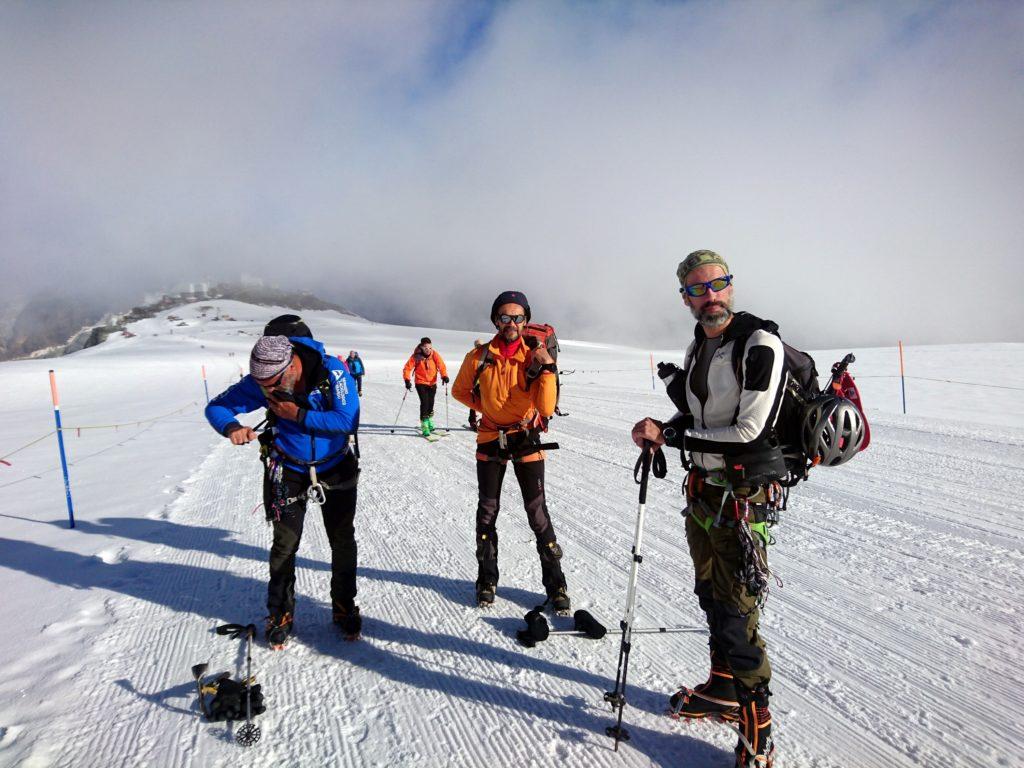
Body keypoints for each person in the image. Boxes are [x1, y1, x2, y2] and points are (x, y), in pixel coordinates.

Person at [631, 250, 785, 767]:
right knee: (711, 595)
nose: (710, 296)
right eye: (698, 289)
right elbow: (699, 412)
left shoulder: (759, 344)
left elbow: (750, 431)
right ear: (685, 298)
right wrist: (669, 424)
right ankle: (722, 688)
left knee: (737, 611)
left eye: (717, 284)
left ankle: (757, 729)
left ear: (731, 286)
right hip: (703, 491)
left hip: (742, 500)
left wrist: (673, 433)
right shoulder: (701, 343)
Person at [205, 331, 362, 647]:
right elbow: (216, 408)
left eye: (274, 384)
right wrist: (232, 427)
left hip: (335, 465)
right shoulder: (263, 381)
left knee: (342, 539)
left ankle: (344, 606)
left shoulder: (332, 370)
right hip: (287, 469)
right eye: (262, 387)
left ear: (291, 365)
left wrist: (298, 415)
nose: (269, 391)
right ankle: (280, 613)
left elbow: (348, 420)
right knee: (284, 545)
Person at [452, 291, 570, 612]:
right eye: (505, 317)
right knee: (487, 511)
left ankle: (556, 584)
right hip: (490, 438)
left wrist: (546, 369)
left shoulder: (533, 357)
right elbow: (459, 390)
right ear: (495, 320)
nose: (512, 323)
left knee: (537, 513)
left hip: (526, 438)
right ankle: (486, 580)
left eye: (518, 317)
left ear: (526, 320)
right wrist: (487, 409)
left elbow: (546, 407)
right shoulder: (478, 357)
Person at [403, 337, 448, 436]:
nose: (428, 350)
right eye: (426, 348)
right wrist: (407, 380)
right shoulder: (416, 356)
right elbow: (407, 368)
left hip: (432, 383)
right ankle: (424, 425)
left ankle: (430, 421)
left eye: (430, 347)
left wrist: (444, 376)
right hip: (420, 383)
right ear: (422, 347)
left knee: (431, 403)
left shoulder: (434, 354)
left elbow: (441, 365)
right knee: (424, 403)